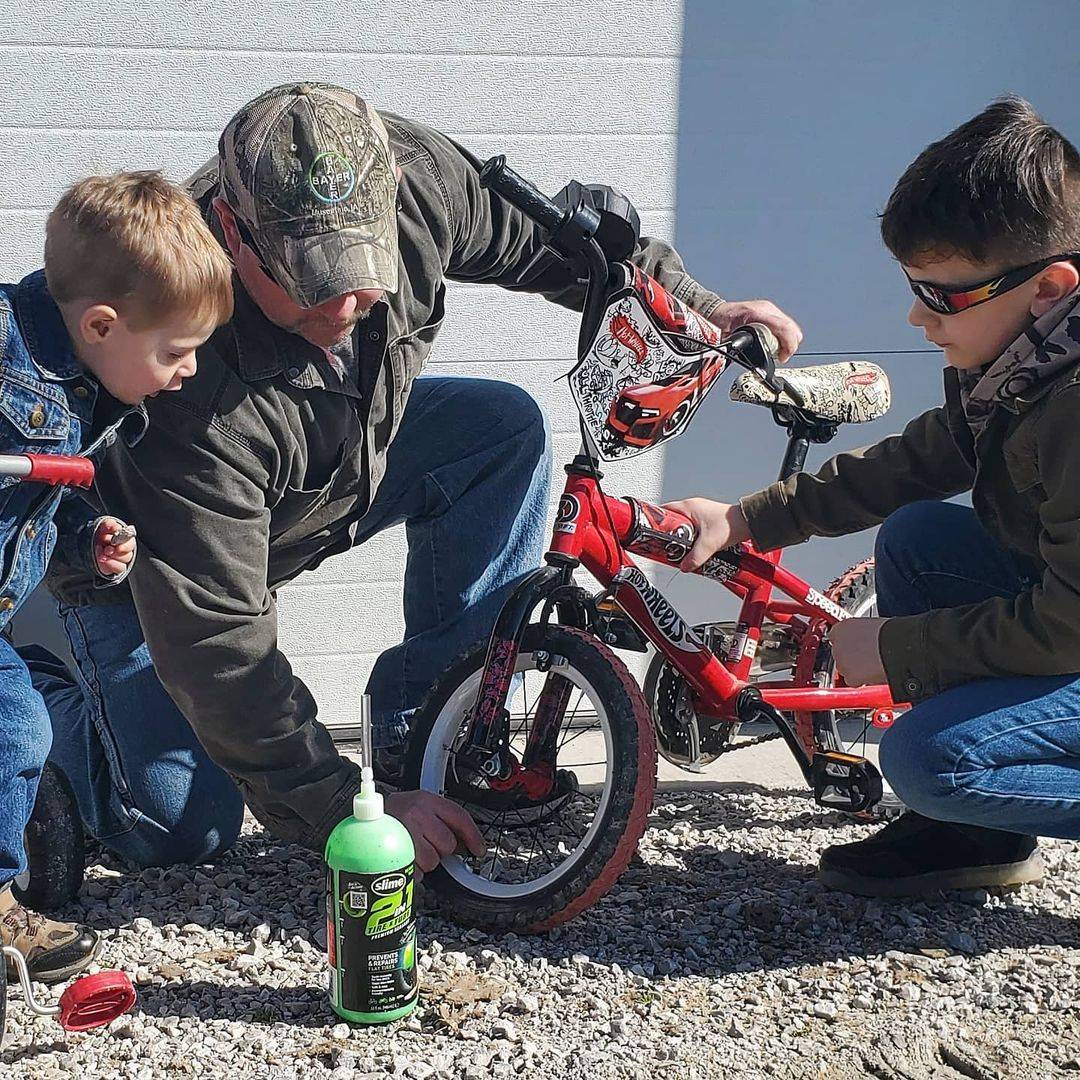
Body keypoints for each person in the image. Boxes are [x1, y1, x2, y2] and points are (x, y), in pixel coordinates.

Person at [32, 82, 803, 873]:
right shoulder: (188, 382)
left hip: (317, 481)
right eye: (308, 281)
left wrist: (700, 306)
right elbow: (218, 640)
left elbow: (561, 240)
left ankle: (429, 725)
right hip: (142, 573)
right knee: (177, 830)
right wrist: (345, 807)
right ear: (232, 232)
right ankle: (34, 691)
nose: (348, 302)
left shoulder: (416, 179)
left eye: (362, 268)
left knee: (496, 431)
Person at [669, 96, 1080, 897]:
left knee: (931, 759)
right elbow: (915, 462)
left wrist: (897, 649)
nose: (916, 317)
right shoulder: (1026, 363)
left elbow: (1070, 625)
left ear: (1049, 286)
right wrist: (746, 518)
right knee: (921, 535)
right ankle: (971, 841)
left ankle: (957, 802)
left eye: (942, 296)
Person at [1, 170, 232, 981]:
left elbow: (42, 494)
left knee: (16, 726)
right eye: (177, 351)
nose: (190, 371)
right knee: (19, 727)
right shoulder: (5, 350)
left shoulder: (86, 391)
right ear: (102, 324)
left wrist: (83, 541)